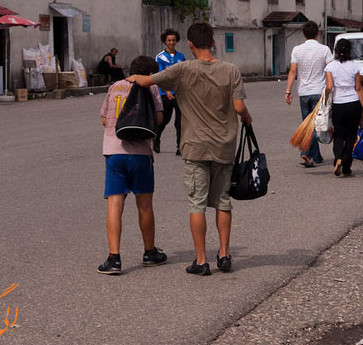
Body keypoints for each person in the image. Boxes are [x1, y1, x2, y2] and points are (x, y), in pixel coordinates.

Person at [128, 22, 252, 276]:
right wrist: (248, 119)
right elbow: (239, 107)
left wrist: (131, 79)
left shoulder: (182, 69)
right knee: (223, 201)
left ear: (191, 45)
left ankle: (201, 260)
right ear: (214, 42)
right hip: (224, 145)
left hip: (194, 147)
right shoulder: (231, 70)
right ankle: (225, 255)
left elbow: (147, 81)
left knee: (197, 203)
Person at [97, 56, 166, 275]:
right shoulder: (151, 87)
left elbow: (104, 120)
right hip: (140, 153)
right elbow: (158, 119)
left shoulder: (115, 87)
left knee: (114, 205)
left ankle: (114, 258)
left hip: (114, 152)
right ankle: (149, 252)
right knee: (144, 205)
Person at [284, 21, 333, 168]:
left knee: (308, 123)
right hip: (319, 92)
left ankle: (316, 157)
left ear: (304, 34)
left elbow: (293, 71)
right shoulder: (325, 50)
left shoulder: (297, 50)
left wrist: (288, 91)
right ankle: (305, 152)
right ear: (317, 33)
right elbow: (330, 70)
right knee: (313, 126)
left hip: (304, 93)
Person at [324, 38, 363, 177]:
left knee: (339, 135)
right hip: (354, 104)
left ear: (336, 51)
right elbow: (358, 88)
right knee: (351, 136)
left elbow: (329, 87)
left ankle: (338, 158)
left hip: (338, 105)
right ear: (350, 51)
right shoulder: (354, 66)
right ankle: (346, 165)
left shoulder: (330, 67)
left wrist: (324, 98)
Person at [154, 29, 186, 155]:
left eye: (173, 40)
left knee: (179, 121)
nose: (171, 42)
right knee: (165, 119)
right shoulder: (160, 57)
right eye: (169, 40)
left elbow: (183, 74)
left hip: (179, 93)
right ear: (165, 41)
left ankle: (179, 146)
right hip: (165, 94)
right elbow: (161, 75)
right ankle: (156, 139)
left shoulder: (181, 57)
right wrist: (167, 91)